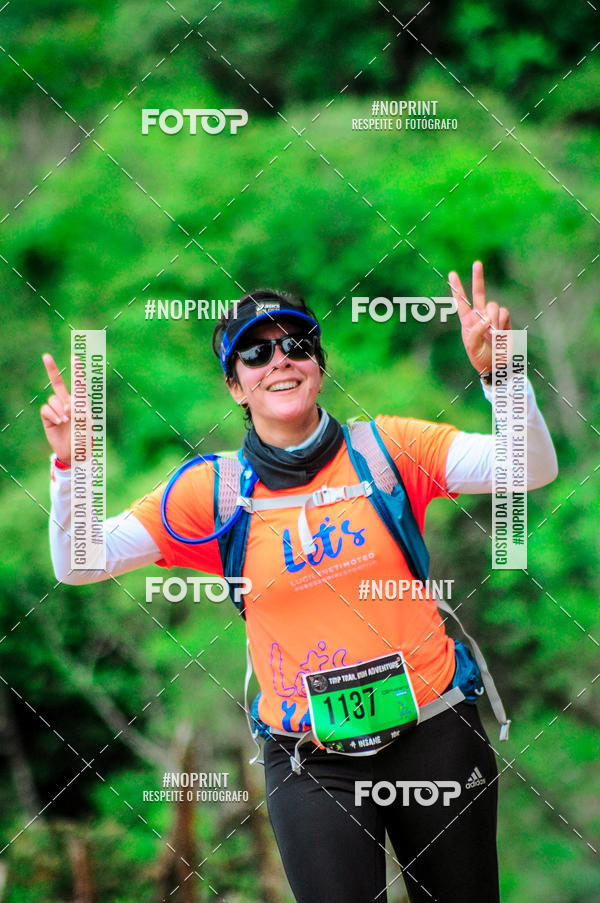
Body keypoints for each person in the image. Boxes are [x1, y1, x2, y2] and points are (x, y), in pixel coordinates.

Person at [42, 261, 558, 903]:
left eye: (297, 345)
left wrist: (501, 373)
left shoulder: (388, 449)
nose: (280, 360)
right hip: (310, 758)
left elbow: (529, 467)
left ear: (319, 363)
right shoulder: (215, 491)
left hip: (435, 733)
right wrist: (74, 464)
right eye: (255, 354)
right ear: (236, 386)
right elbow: (80, 559)